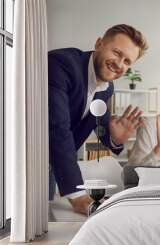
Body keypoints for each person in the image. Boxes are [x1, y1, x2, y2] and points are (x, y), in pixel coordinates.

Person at [48, 24, 148, 214]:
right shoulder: (61, 64)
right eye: (117, 53)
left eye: (127, 61)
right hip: (26, 158)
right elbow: (57, 128)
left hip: (52, 164)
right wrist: (78, 196)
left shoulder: (107, 88)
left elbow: (99, 126)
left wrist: (115, 139)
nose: (120, 64)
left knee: (43, 221)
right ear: (99, 43)